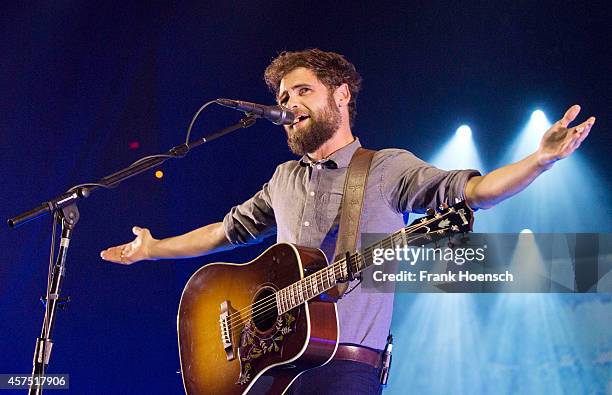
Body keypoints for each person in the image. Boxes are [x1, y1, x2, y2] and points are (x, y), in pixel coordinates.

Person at [100, 49, 595, 394]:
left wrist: (539, 161)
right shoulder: (283, 178)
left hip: (346, 367)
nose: (288, 104)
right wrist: (153, 248)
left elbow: (476, 192)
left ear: (340, 96)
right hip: (271, 365)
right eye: (283, 96)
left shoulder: (386, 167)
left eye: (301, 91)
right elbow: (223, 232)